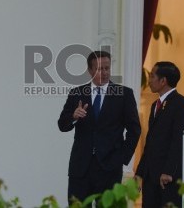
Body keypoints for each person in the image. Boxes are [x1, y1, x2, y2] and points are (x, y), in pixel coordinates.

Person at [58, 50, 141, 203]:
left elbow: (134, 129)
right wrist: (73, 117)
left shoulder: (124, 94)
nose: (104, 73)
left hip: (110, 167)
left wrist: (122, 157)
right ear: (90, 70)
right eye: (98, 69)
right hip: (81, 167)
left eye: (107, 68)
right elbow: (62, 125)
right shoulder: (77, 93)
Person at [135, 61, 184, 208]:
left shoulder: (181, 104)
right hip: (150, 176)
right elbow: (150, 142)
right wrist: (140, 173)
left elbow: (178, 140)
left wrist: (168, 171)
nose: (149, 80)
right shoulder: (155, 105)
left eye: (152, 76)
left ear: (163, 80)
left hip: (166, 178)